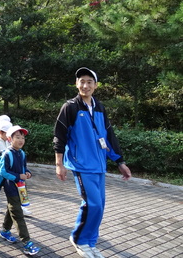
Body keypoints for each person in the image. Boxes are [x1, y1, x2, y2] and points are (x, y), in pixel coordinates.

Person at [54, 67, 131, 258]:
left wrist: (119, 162)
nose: (85, 85)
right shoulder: (70, 107)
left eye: (89, 81)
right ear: (76, 84)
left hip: (99, 165)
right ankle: (79, 239)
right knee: (92, 204)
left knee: (99, 205)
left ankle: (89, 241)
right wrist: (59, 164)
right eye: (82, 81)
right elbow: (59, 136)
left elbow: (108, 136)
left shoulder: (99, 107)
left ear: (95, 86)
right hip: (81, 165)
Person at [0, 125, 40, 255]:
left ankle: (5, 231)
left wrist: (27, 173)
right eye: (17, 137)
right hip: (11, 187)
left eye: (22, 137)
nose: (21, 140)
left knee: (12, 208)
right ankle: (27, 243)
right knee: (18, 214)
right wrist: (17, 176)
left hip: (21, 187)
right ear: (10, 139)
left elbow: (24, 168)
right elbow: (3, 171)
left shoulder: (22, 153)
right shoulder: (7, 154)